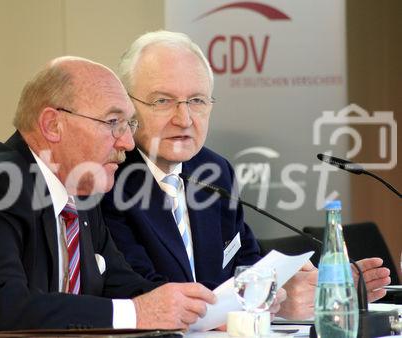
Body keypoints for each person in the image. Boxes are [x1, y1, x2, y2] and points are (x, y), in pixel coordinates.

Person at [0, 56, 218, 337]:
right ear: (53, 125)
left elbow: (122, 285)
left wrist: (200, 312)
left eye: (128, 124)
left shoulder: (80, 191)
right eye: (113, 123)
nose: (127, 142)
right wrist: (139, 314)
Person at [100, 30, 391, 319]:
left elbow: (246, 262)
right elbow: (145, 295)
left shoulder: (213, 171)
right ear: (127, 106)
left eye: (197, 101)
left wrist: (297, 289)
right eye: (163, 101)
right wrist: (265, 300)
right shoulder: (108, 179)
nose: (184, 119)